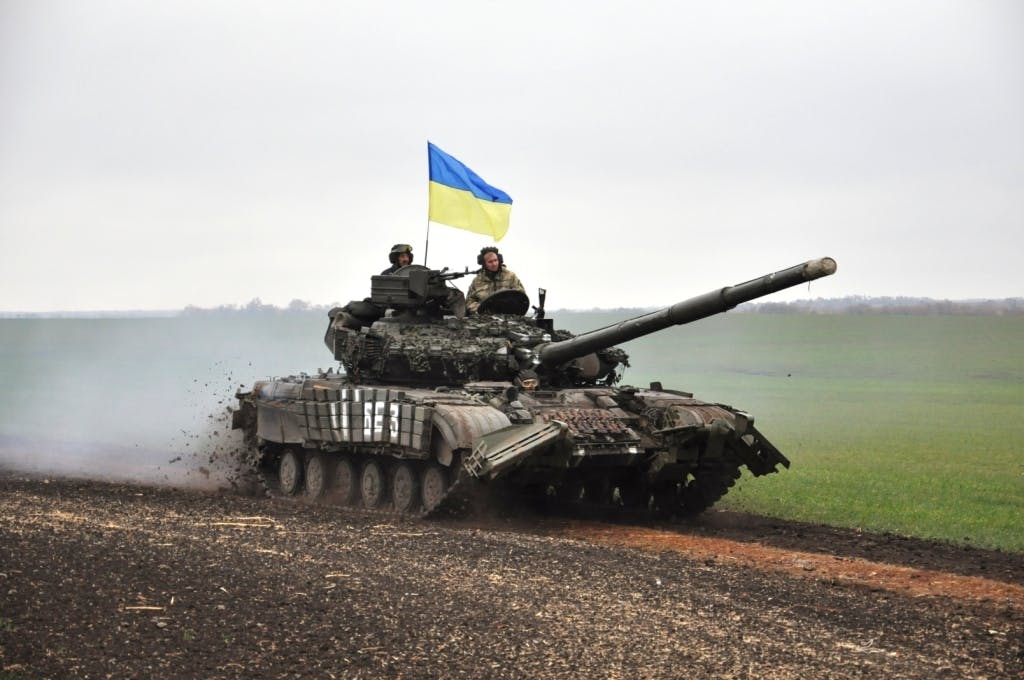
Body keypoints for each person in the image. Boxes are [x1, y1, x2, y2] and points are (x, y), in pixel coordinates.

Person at [466, 247, 525, 314]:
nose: (494, 264)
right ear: (484, 264)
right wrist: (480, 309)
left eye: (495, 260)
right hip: (485, 318)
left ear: (499, 260)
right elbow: (469, 301)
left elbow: (521, 295)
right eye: (490, 262)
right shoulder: (477, 281)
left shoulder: (511, 276)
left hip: (509, 315)